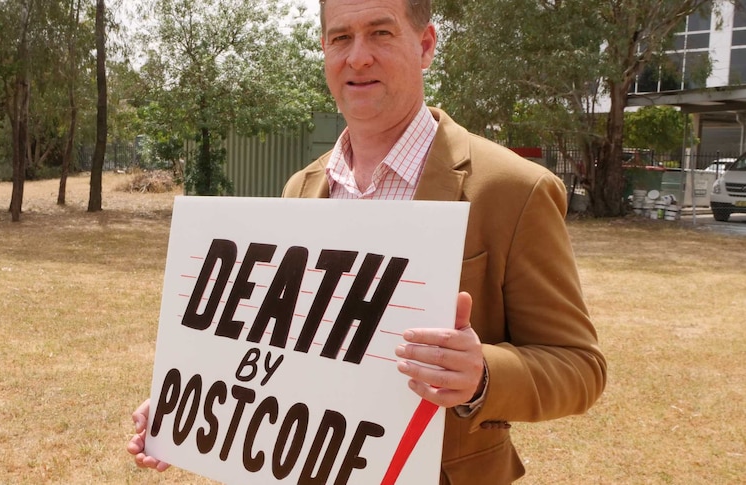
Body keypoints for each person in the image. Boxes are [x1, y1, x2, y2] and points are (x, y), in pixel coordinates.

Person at [128, 0, 607, 483]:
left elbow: (579, 366)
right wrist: (183, 409)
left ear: (424, 46)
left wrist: (481, 373)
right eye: (341, 38)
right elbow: (283, 346)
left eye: (380, 33)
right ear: (324, 51)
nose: (357, 57)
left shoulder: (514, 190)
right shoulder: (301, 187)